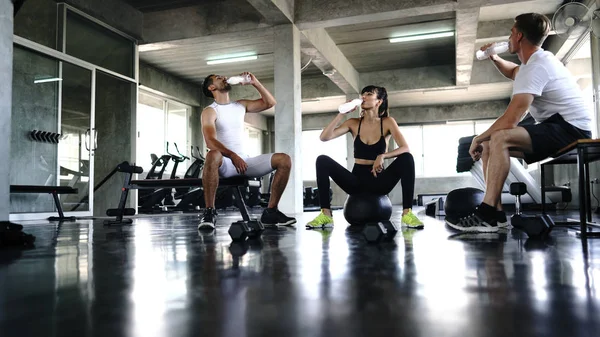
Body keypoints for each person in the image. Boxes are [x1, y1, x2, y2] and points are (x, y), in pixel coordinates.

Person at [447, 13, 592, 233]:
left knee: (499, 137)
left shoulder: (536, 66)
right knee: (490, 143)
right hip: (557, 126)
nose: (509, 37)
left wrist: (478, 137)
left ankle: (486, 212)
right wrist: (494, 58)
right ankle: (494, 213)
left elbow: (511, 120)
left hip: (571, 129)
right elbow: (513, 71)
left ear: (519, 36)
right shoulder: (534, 62)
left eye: (511, 33)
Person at [306, 85, 424, 229]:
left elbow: (405, 148)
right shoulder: (353, 124)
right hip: (356, 182)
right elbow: (324, 137)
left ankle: (407, 214)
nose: (363, 97)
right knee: (322, 160)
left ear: (378, 102)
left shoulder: (387, 122)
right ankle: (326, 215)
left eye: (368, 94)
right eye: (362, 94)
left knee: (407, 158)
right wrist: (342, 113)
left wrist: (383, 156)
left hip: (379, 181)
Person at [199, 72, 296, 229]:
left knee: (284, 159)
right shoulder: (210, 111)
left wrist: (255, 82)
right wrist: (232, 155)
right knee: (212, 154)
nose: (223, 77)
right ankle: (209, 212)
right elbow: (210, 141)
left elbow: (270, 103)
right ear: (211, 87)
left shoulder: (240, 105)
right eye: (218, 78)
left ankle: (271, 211)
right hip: (226, 163)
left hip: (244, 161)